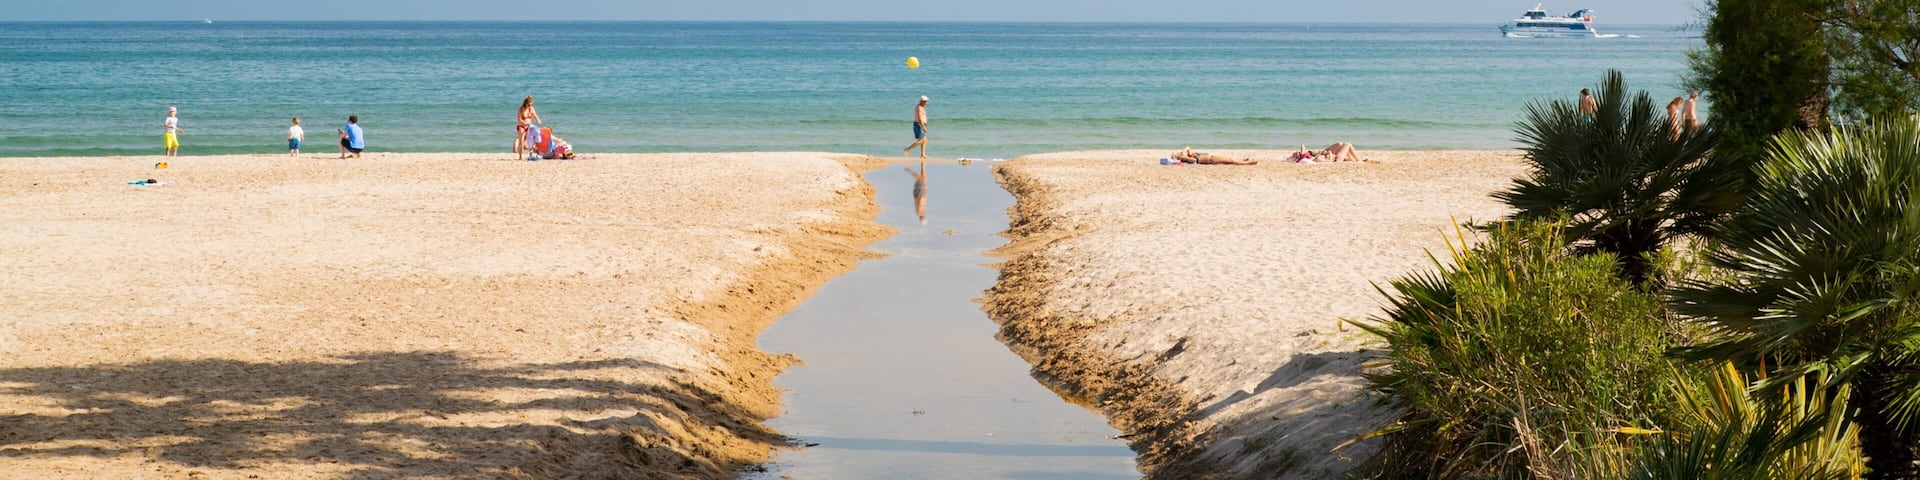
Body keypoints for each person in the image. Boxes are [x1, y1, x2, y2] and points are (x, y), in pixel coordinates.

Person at [1171, 147, 1257, 165]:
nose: (1178, 153)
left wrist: (1182, 152)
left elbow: (1188, 147)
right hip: (1211, 160)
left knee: (1230, 159)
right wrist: (1181, 157)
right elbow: (1194, 161)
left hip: (1212, 157)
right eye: (1176, 154)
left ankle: (1242, 160)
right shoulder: (1186, 158)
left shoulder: (1190, 154)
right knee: (1231, 161)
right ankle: (1248, 163)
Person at [1292, 142, 1362, 163]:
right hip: (1337, 158)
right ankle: (1359, 160)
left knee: (1339, 144)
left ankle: (1355, 159)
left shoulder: (1311, 157)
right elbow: (1330, 161)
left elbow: (1303, 146)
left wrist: (1324, 153)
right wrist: (1330, 154)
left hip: (1334, 155)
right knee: (1347, 144)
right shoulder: (1317, 159)